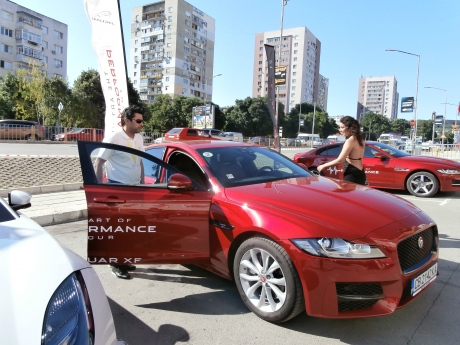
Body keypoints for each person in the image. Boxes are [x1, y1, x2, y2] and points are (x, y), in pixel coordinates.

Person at [94, 105, 145, 279]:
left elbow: (141, 162)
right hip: (117, 188)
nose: (141, 124)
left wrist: (143, 185)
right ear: (127, 120)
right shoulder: (114, 137)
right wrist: (98, 188)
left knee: (130, 229)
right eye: (138, 121)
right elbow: (99, 162)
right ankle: (116, 264)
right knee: (118, 230)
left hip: (135, 189)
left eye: (142, 121)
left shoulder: (139, 138)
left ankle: (124, 260)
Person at [317, 116, 367, 185]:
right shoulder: (360, 139)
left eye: (342, 127)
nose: (340, 130)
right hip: (361, 173)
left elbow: (340, 160)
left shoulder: (350, 141)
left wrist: (323, 166)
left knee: (346, 195)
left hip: (351, 175)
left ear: (350, 127)